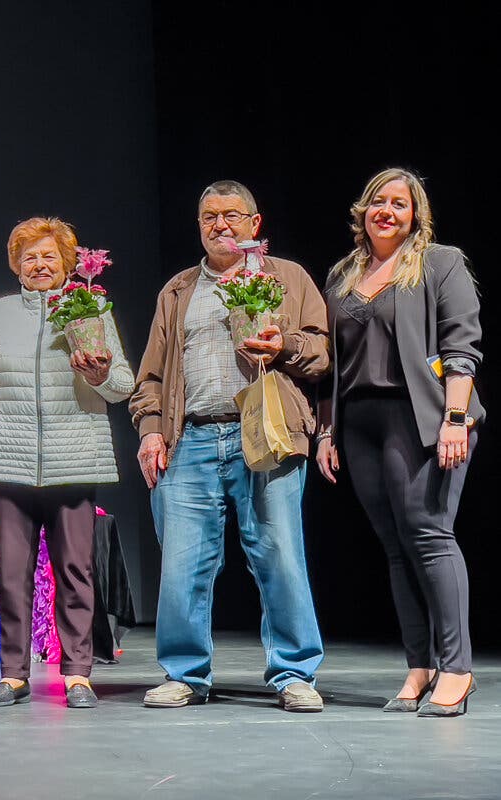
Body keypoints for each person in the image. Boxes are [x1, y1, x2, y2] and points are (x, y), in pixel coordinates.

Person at [130, 180, 328, 712]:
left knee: (281, 556)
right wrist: (151, 430)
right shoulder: (178, 289)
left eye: (232, 215)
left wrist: (282, 344)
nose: (221, 224)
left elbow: (321, 351)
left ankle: (293, 673)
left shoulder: (286, 277)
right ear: (199, 226)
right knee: (182, 565)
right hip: (190, 436)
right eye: (209, 217)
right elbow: (150, 377)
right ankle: (185, 674)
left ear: (254, 224)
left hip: (265, 433)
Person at [0, 216, 134, 709]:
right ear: (16, 267)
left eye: (49, 255)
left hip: (74, 457)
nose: (39, 264)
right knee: (10, 574)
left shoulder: (89, 306)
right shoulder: (0, 311)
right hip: (11, 458)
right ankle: (12, 673)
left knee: (75, 571)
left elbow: (121, 386)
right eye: (29, 257)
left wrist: (102, 373)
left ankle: (78, 674)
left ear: (68, 262)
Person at [316, 168, 483, 717]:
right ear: (362, 210)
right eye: (377, 202)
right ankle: (421, 665)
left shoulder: (439, 263)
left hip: (423, 416)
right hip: (359, 421)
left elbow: (462, 345)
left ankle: (457, 670)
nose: (386, 211)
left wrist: (455, 418)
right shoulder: (343, 274)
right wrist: (326, 430)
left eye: (400, 204)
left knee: (430, 535)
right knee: (395, 546)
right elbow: (328, 365)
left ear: (416, 215)